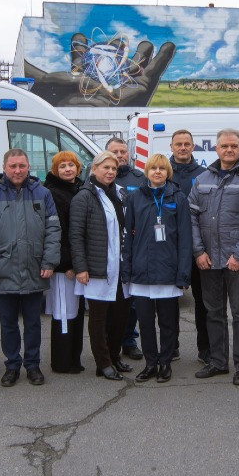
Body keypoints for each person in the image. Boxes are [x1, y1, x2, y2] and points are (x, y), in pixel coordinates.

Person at [0, 149, 59, 388]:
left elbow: (53, 231)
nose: (18, 170)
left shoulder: (43, 194)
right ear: (4, 167)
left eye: (22, 166)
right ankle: (12, 366)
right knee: (8, 324)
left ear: (28, 166)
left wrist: (49, 261)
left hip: (34, 268)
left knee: (33, 323)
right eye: (13, 166)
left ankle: (33, 365)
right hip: (2, 270)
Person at [189, 129, 239, 387]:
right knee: (214, 313)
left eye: (234, 145)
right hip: (208, 260)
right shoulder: (202, 179)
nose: (229, 149)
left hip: (237, 262)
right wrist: (198, 251)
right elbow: (191, 218)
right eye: (225, 146)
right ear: (217, 149)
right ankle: (219, 362)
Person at [122, 154, 192, 382]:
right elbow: (128, 238)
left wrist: (183, 273)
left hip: (168, 272)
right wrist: (127, 269)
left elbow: (185, 240)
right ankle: (151, 363)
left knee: (168, 322)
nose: (158, 172)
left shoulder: (178, 198)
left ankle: (165, 363)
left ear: (168, 172)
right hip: (141, 272)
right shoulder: (134, 198)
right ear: (147, 171)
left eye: (162, 168)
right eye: (154, 168)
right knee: (145, 323)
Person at [70, 151, 131, 381]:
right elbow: (76, 236)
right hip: (96, 267)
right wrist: (81, 267)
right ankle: (102, 363)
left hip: (119, 266)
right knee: (98, 318)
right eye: (105, 167)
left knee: (120, 316)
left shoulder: (118, 194)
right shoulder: (84, 197)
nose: (110, 172)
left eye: (114, 169)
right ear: (93, 169)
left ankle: (114, 357)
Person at [168, 129, 210, 363]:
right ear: (171, 147)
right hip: (171, 248)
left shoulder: (204, 175)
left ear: (194, 147)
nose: (183, 148)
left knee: (203, 302)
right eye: (178, 144)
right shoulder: (164, 173)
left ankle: (205, 349)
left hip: (199, 247)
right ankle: (171, 345)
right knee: (170, 300)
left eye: (187, 144)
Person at [43, 151, 86, 374]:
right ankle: (62, 361)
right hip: (64, 267)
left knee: (76, 312)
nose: (67, 169)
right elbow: (58, 232)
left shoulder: (79, 189)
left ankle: (74, 358)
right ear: (55, 170)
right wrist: (67, 264)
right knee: (63, 313)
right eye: (62, 166)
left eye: (71, 165)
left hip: (78, 264)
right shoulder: (53, 193)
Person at [106, 136, 146, 361]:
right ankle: (107, 341)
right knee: (108, 298)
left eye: (123, 151)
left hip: (134, 247)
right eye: (115, 151)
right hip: (107, 247)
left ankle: (129, 341)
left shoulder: (140, 178)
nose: (120, 155)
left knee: (131, 300)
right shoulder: (97, 178)